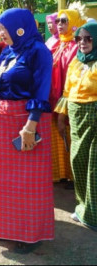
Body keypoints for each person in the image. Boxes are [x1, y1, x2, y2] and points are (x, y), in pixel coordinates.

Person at [0, 8, 54, 254]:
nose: (0, 34)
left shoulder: (40, 53)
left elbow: (41, 90)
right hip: (1, 121)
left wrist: (31, 125)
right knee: (1, 180)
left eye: (3, 29)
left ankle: (29, 235)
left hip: (25, 122)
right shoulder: (8, 52)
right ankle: (4, 227)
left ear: (20, 28)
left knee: (26, 182)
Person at [55, 22, 97, 231]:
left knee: (94, 168)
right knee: (78, 162)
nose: (83, 43)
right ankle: (83, 208)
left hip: (95, 120)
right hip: (76, 120)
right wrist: (61, 118)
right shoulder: (76, 63)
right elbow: (67, 92)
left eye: (88, 38)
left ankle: (94, 214)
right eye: (79, 38)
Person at [49, 8, 86, 184]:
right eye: (58, 21)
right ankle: (62, 174)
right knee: (57, 134)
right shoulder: (56, 44)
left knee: (71, 134)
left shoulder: (78, 48)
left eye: (64, 21)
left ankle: (74, 176)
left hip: (70, 98)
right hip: (53, 99)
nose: (60, 24)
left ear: (73, 23)